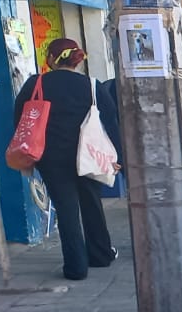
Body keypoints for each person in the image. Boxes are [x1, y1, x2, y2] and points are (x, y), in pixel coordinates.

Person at [13, 38, 117, 281]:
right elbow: (111, 121)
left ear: (51, 59)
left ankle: (76, 267)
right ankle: (101, 255)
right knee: (92, 203)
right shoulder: (92, 85)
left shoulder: (35, 84)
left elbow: (20, 119)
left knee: (67, 210)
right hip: (89, 156)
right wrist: (117, 157)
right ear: (76, 60)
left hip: (51, 158)